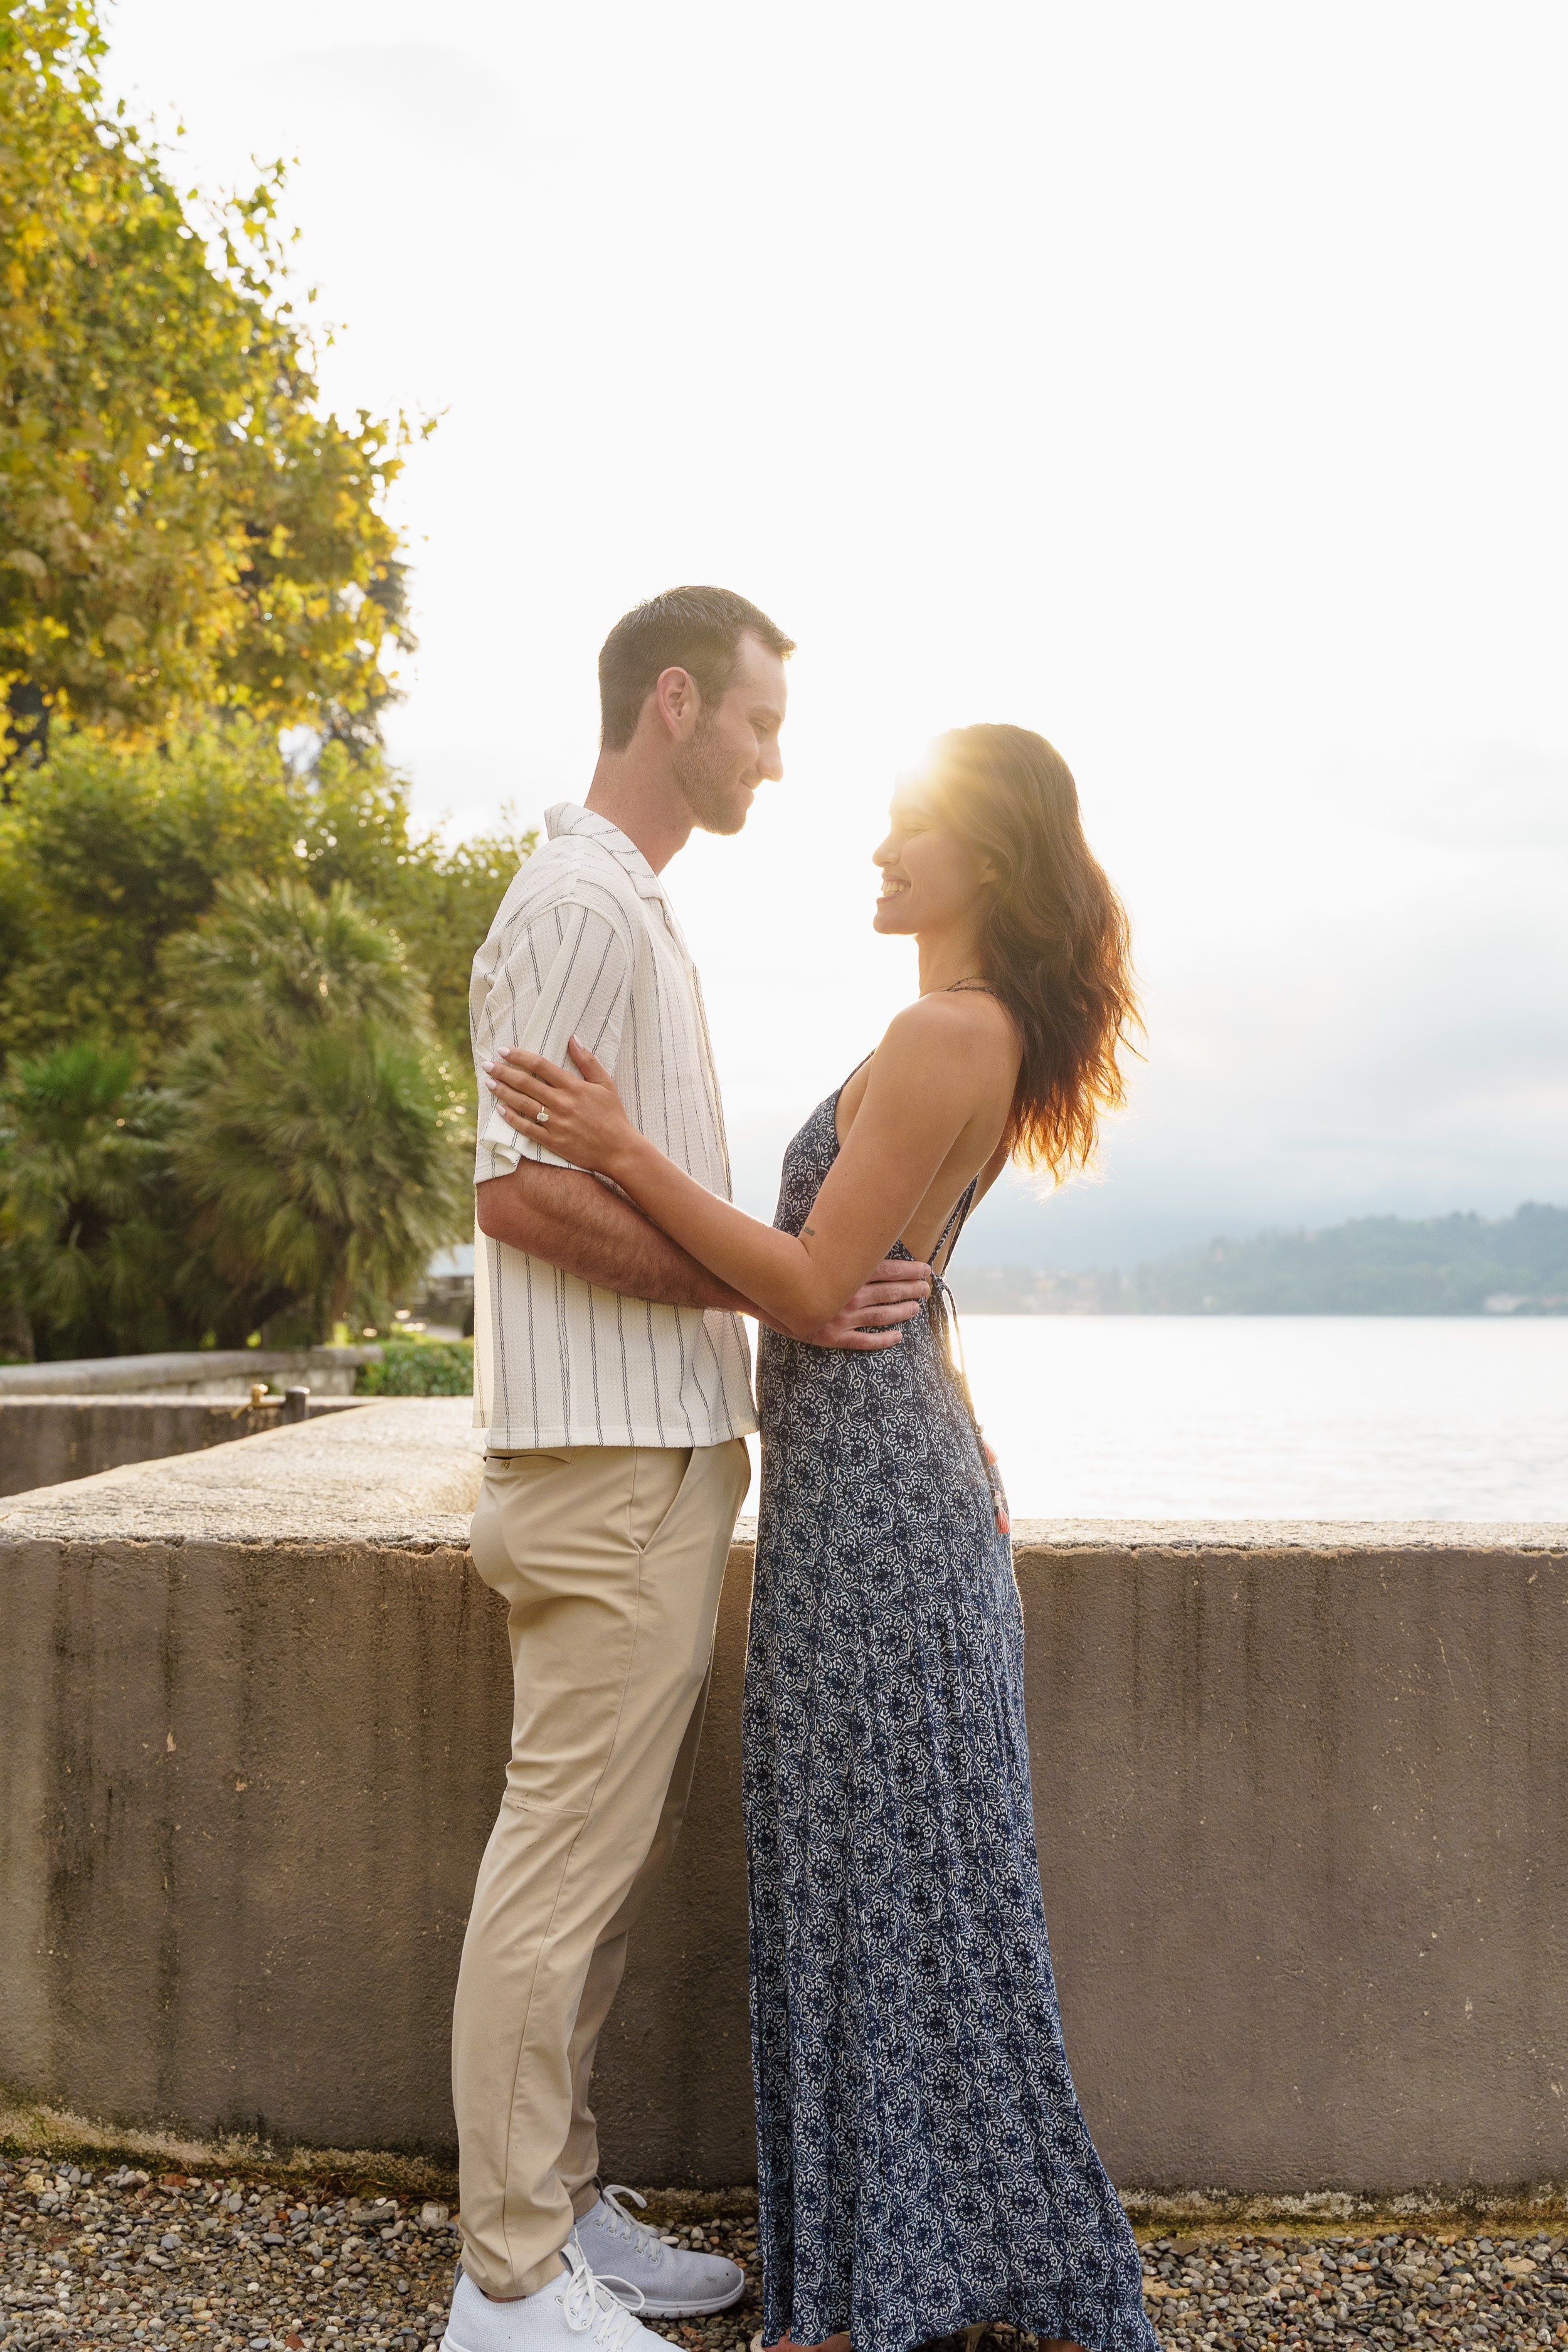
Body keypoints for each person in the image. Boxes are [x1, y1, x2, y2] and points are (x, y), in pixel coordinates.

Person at [482, 722, 1158, 2352]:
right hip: (878, 1498)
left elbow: (807, 1284)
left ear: (981, 860)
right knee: (870, 1882)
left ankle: (868, 2291)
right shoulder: (957, 1028)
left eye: (902, 831)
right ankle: (871, 2278)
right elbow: (891, 1283)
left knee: (871, 1883)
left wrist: (619, 1149)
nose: (875, 854)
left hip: (873, 1523)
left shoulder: (944, 1028)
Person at [445, 587, 933, 2352]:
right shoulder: (578, 895)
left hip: (637, 1457)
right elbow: (513, 1193)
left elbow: (587, 1171)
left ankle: (555, 2205)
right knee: (559, 1864)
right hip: (601, 1459)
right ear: (673, 702)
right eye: (756, 721)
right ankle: (505, 2279)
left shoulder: (620, 901)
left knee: (593, 1855)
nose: (773, 758)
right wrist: (768, 1285)